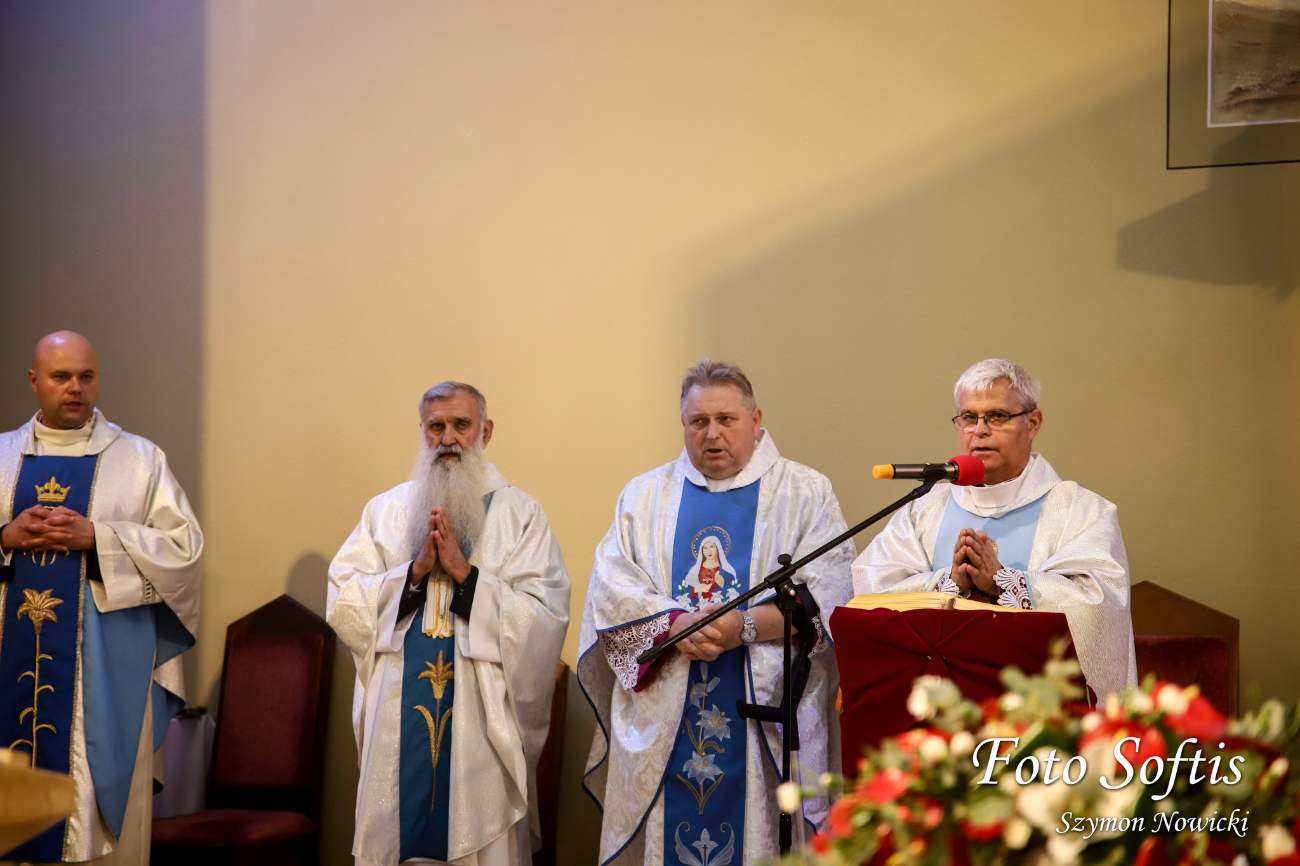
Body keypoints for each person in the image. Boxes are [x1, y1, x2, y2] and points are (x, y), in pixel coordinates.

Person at [579, 359, 855, 865]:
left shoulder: (803, 492)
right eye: (697, 421)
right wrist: (676, 623)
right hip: (667, 719)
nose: (712, 434)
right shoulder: (645, 496)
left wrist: (742, 627)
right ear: (683, 425)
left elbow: (830, 594)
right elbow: (611, 590)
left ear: (756, 419)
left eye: (726, 419)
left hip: (768, 713)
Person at [328, 381, 569, 866]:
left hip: (481, 725)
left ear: (486, 431)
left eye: (461, 424)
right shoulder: (386, 511)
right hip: (396, 721)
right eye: (436, 426)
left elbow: (545, 617)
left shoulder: (520, 514)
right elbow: (344, 600)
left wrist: (466, 576)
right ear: (422, 431)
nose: (448, 438)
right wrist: (412, 573)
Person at [0, 331, 202, 864]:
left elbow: (184, 553)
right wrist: (5, 539)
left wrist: (100, 538)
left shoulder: (139, 460)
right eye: (61, 376)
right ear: (34, 381)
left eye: (86, 376)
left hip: (102, 681)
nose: (76, 388)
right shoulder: (0, 457)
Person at [853, 358, 1137, 701]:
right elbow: (873, 590)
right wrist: (948, 583)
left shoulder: (1083, 510)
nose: (979, 430)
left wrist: (1005, 582)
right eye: (969, 418)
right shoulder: (923, 508)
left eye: (997, 417)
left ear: (1033, 423)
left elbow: (1098, 607)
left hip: (1036, 714)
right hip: (936, 709)